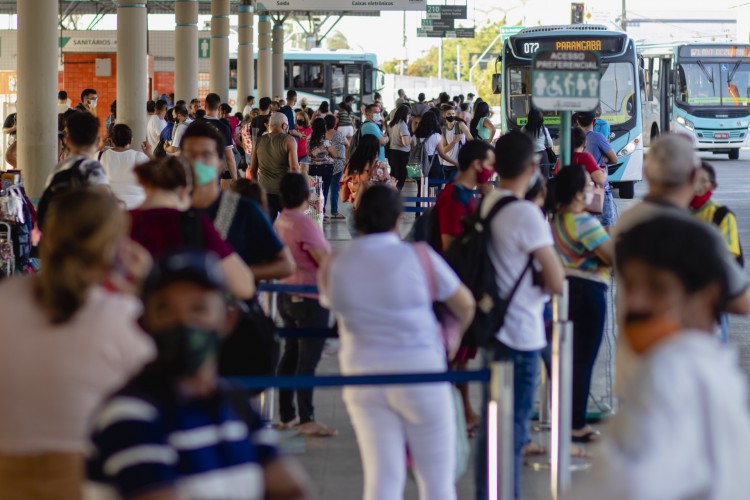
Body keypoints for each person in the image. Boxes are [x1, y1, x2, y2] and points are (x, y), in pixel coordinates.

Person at [86, 249, 314, 500]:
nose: (183, 321)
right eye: (164, 309)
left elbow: (291, 490)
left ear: (227, 320)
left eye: (199, 308)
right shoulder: (130, 415)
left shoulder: (233, 402)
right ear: (144, 323)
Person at [563, 215, 750, 500]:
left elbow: (634, 485)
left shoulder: (669, 372)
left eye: (657, 288)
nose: (636, 302)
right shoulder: (712, 367)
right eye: (631, 285)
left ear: (707, 296)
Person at [320, 185, 475, 500]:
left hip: (363, 378)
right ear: (397, 220)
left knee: (382, 479)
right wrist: (453, 340)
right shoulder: (420, 257)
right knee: (437, 482)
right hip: (422, 375)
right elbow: (465, 305)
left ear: (358, 219)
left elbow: (333, 307)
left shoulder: (334, 266)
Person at [0, 189, 154, 498]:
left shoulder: (5, 301)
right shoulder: (126, 318)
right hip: (91, 482)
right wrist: (144, 291)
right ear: (115, 247)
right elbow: (171, 394)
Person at [475, 131, 565, 500]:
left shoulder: (489, 202)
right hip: (522, 333)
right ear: (532, 167)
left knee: (491, 430)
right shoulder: (527, 213)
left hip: (493, 327)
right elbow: (557, 280)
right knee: (511, 434)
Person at [433, 140, 495, 434]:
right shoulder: (453, 197)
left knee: (461, 358)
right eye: (489, 163)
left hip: (464, 285)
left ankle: (465, 412)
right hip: (455, 287)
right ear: (476, 165)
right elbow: (450, 247)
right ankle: (459, 415)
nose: (492, 169)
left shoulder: (466, 195)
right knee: (454, 356)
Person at [129, 156, 255, 299]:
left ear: (145, 187)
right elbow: (245, 287)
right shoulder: (192, 223)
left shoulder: (119, 221)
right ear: (185, 192)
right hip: (181, 315)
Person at [184, 121, 295, 281]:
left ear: (221, 165)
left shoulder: (244, 210)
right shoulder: (173, 212)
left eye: (206, 155)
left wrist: (236, 275)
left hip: (234, 301)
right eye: (190, 155)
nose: (197, 162)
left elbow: (286, 264)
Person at [551, 164, 614, 442]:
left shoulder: (557, 219)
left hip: (565, 290)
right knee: (583, 361)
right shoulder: (584, 222)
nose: (592, 189)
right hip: (588, 292)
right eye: (588, 186)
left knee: (569, 359)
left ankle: (566, 417)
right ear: (578, 193)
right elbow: (613, 257)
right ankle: (577, 422)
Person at [273, 173, 337, 437]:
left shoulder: (281, 221)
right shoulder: (304, 223)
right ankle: (307, 418)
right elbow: (322, 259)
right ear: (306, 195)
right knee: (307, 360)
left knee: (291, 355)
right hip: (308, 298)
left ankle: (287, 415)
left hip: (286, 294)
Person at [691, 161, 743, 343]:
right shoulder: (678, 213)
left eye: (703, 181)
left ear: (712, 186)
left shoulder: (721, 215)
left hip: (713, 295)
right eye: (693, 180)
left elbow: (728, 257)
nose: (697, 186)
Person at [339, 134, 393, 237]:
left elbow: (343, 191)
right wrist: (393, 185)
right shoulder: (379, 166)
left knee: (359, 246)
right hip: (373, 211)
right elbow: (387, 190)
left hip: (353, 210)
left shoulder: (350, 165)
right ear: (375, 149)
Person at [249, 112, 300, 220]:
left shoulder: (259, 141)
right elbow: (294, 168)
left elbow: (253, 169)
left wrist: (257, 190)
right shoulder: (289, 140)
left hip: (265, 191)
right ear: (284, 126)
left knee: (267, 228)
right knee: (289, 225)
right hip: (284, 192)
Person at [577, 111, 617, 228]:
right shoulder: (597, 137)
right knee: (607, 225)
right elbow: (614, 159)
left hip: (577, 189)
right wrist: (605, 159)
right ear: (594, 121)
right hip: (597, 188)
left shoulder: (571, 136)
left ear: (577, 121)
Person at [99, 124, 148, 209]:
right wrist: (150, 154)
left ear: (111, 140)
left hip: (111, 204)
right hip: (137, 204)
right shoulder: (139, 156)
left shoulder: (103, 155)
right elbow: (159, 172)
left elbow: (87, 159)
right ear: (130, 140)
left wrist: (100, 146)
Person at [196, 93, 238, 181]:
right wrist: (234, 179)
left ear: (204, 106)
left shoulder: (194, 124)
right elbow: (230, 157)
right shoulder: (224, 128)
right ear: (219, 108)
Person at [307, 117, 338, 224]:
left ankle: (314, 214)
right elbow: (335, 154)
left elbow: (309, 154)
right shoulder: (325, 141)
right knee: (323, 192)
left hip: (312, 169)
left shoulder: (309, 139)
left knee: (314, 192)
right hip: (326, 168)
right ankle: (321, 214)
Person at [413, 110, 457, 181]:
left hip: (418, 162)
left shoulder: (415, 136)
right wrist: (455, 163)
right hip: (433, 162)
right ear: (434, 121)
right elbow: (442, 154)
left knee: (420, 185)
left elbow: (412, 150)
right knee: (434, 186)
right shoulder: (436, 136)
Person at [439, 104, 473, 181]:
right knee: (449, 187)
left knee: (453, 187)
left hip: (458, 164)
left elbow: (470, 138)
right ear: (444, 115)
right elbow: (444, 150)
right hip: (446, 164)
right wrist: (454, 141)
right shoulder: (443, 129)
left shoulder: (460, 124)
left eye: (453, 114)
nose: (451, 116)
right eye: (449, 114)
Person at [324, 113, 347, 220]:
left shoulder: (322, 135)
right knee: (334, 189)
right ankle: (334, 212)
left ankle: (322, 212)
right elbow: (348, 145)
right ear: (334, 123)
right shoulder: (339, 134)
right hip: (337, 164)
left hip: (324, 164)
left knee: (323, 189)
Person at [387, 103, 412, 191]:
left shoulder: (391, 124)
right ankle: (395, 197)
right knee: (400, 178)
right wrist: (411, 139)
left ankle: (390, 197)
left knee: (393, 177)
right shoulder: (402, 124)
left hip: (391, 153)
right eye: (409, 116)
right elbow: (405, 142)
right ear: (406, 114)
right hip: (401, 155)